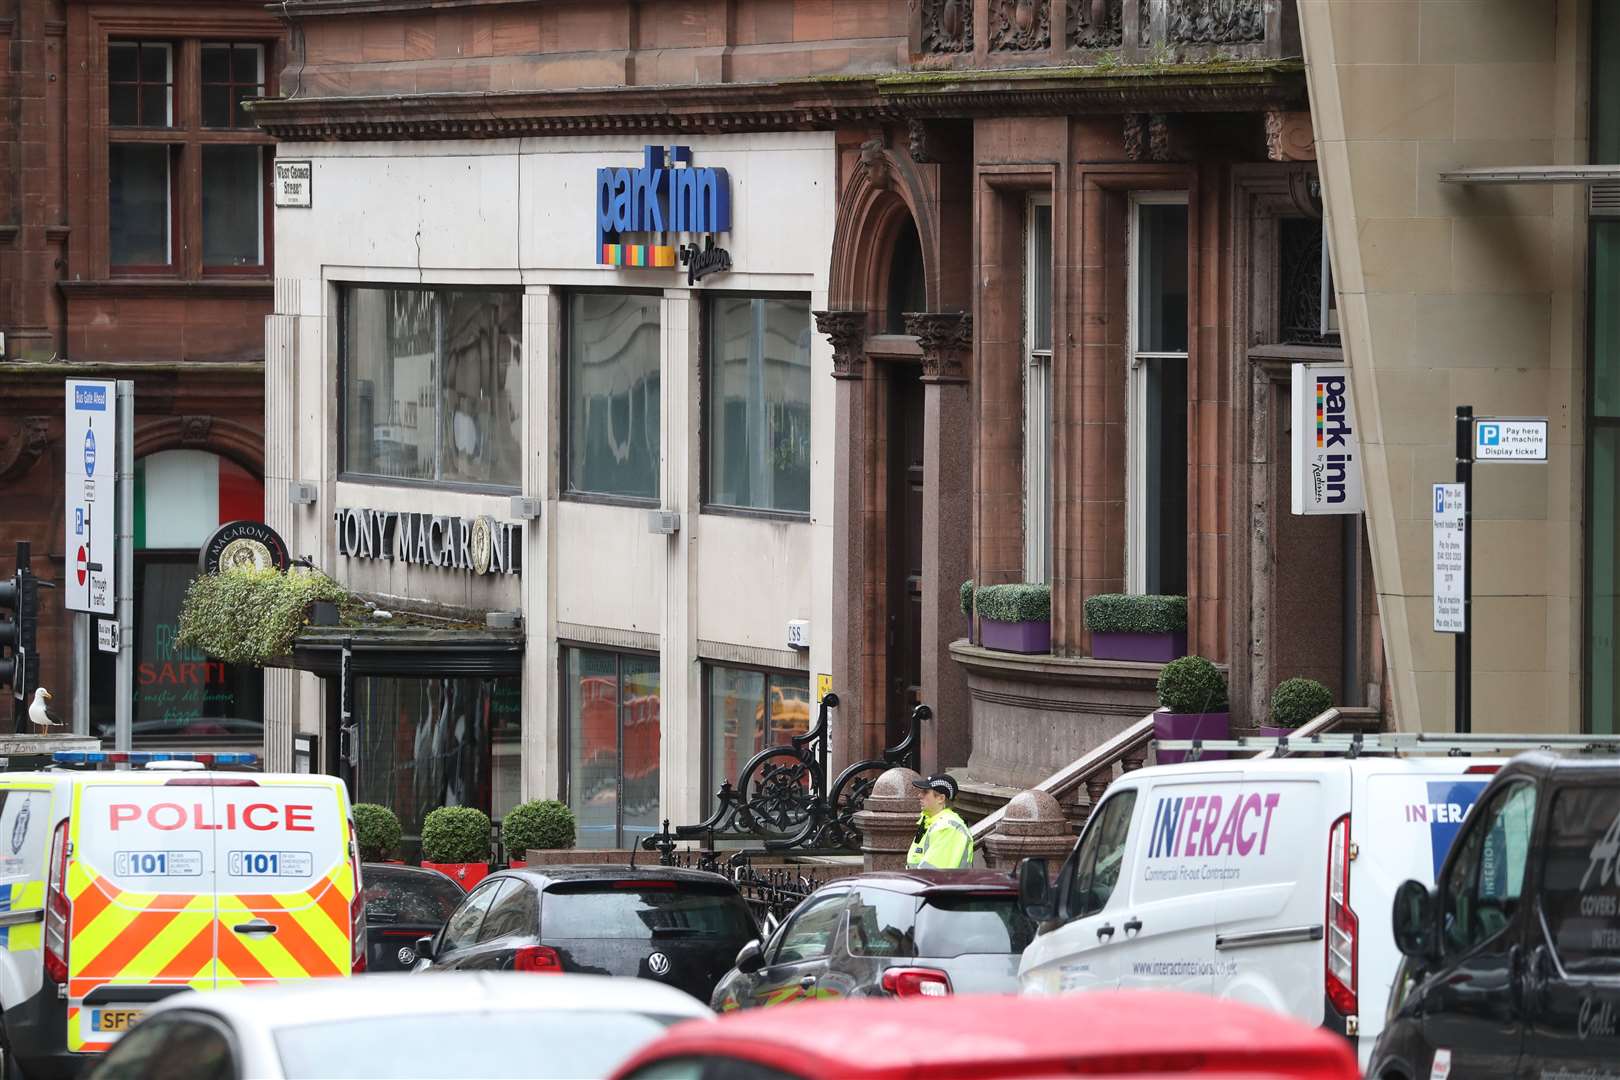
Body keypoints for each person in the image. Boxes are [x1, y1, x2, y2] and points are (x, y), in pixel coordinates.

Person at [906, 774, 974, 870]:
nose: (919, 795)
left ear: (941, 798)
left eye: (925, 792)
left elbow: (932, 873)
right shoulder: (931, 821)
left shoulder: (948, 827)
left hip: (932, 883)